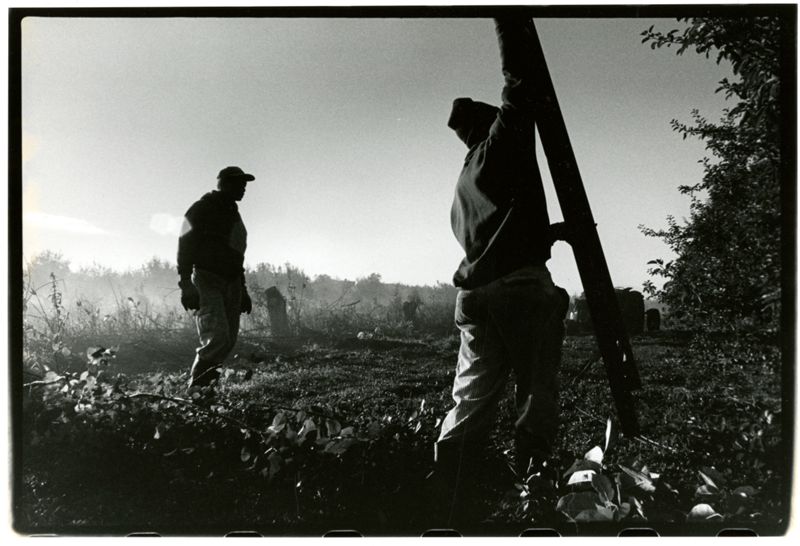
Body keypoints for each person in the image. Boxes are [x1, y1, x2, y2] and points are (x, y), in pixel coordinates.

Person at [433, 17, 571, 524]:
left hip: (476, 295)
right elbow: (520, 84)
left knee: (472, 392)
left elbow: (495, 235)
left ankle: (448, 479)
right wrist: (508, 18)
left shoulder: (464, 184)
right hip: (518, 290)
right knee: (537, 385)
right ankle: (533, 481)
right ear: (489, 122)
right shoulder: (502, 147)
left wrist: (548, 234)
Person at [177, 166, 255, 390]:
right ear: (223, 184)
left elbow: (236, 256)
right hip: (207, 279)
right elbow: (185, 244)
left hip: (231, 282)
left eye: (244, 184)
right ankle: (197, 392)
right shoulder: (203, 208)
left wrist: (243, 290)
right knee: (216, 338)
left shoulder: (233, 213)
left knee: (227, 341)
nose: (243, 188)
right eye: (238, 183)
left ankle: (207, 391)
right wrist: (185, 284)